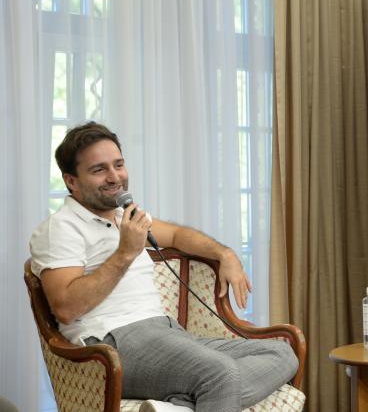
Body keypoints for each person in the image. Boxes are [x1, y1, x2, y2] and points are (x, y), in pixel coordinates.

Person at [30, 122, 298, 412]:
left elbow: (179, 235)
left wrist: (226, 254)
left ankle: (178, 405)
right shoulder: (60, 228)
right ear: (71, 181)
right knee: (219, 374)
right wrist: (125, 253)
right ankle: (199, 395)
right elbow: (66, 307)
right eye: (99, 170)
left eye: (118, 165)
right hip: (109, 345)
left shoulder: (124, 216)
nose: (114, 177)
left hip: (166, 332)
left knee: (282, 352)